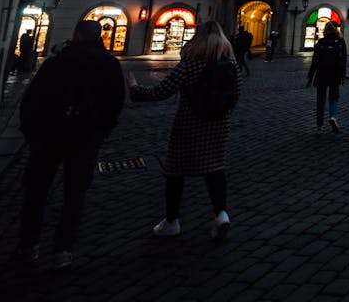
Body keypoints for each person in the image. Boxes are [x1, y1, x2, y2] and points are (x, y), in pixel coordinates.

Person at [17, 20, 125, 270]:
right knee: (74, 195)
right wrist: (102, 130)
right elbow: (116, 101)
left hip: (48, 135)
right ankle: (63, 250)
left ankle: (28, 246)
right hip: (85, 137)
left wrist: (31, 131)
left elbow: (32, 98)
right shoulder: (109, 65)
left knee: (36, 192)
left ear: (76, 34)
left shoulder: (57, 63)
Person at [127, 20, 242, 241]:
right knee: (215, 167)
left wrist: (135, 89)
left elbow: (162, 91)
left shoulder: (191, 63)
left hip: (190, 122)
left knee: (175, 170)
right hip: (219, 124)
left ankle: (172, 220)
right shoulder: (231, 64)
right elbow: (236, 94)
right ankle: (221, 214)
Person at [306, 21, 347, 133]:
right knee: (334, 97)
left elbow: (315, 61)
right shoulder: (340, 42)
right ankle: (333, 117)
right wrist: (343, 76)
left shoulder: (321, 42)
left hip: (321, 73)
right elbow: (343, 60)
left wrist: (310, 77)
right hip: (335, 73)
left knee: (320, 100)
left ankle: (319, 126)